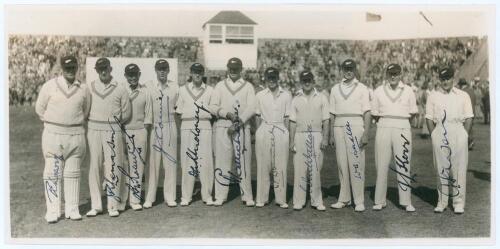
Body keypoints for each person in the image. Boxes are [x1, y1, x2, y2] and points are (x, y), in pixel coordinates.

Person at [35, 55, 90, 223]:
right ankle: (53, 211)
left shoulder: (84, 89)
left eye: (73, 67)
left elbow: (85, 111)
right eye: (67, 68)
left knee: (73, 173)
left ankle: (72, 209)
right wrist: (55, 123)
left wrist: (72, 123)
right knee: (52, 173)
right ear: (61, 69)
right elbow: (39, 109)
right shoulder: (49, 86)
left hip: (76, 135)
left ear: (77, 68)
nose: (70, 71)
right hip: (53, 135)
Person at [86, 57, 131, 217]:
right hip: (93, 129)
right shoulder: (90, 87)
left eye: (105, 68)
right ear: (96, 71)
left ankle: (113, 204)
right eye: (100, 69)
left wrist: (113, 123)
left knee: (113, 165)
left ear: (110, 69)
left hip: (113, 130)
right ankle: (96, 205)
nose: (103, 71)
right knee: (95, 167)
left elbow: (126, 112)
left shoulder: (120, 88)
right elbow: (85, 109)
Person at [426, 67, 473, 214]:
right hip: (440, 130)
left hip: (458, 129)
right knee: (441, 168)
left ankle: (458, 203)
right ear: (439, 79)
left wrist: (465, 134)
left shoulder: (463, 95)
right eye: (443, 78)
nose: (445, 81)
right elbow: (428, 118)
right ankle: (442, 201)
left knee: (459, 169)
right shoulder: (433, 96)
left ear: (453, 79)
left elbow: (469, 117)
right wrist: (433, 134)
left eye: (448, 78)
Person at [371, 63, 417, 212]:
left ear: (400, 74)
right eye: (390, 73)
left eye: (396, 73)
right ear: (386, 74)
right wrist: (387, 123)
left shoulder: (409, 90)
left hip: (403, 126)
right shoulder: (378, 91)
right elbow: (375, 114)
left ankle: (405, 201)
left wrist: (400, 123)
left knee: (403, 164)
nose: (393, 76)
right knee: (381, 164)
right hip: (383, 126)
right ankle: (379, 200)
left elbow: (413, 113)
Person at [211, 57, 256, 206]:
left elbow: (251, 108)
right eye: (231, 67)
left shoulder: (248, 86)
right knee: (222, 161)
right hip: (223, 126)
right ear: (227, 68)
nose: (233, 70)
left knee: (243, 162)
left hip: (242, 127)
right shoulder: (220, 86)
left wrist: (238, 122)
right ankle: (220, 196)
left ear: (241, 69)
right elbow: (213, 107)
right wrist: (228, 114)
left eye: (236, 68)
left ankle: (247, 196)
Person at [329, 59, 371, 212]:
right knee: (342, 163)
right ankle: (344, 198)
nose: (348, 71)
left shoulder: (362, 88)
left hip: (356, 125)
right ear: (342, 69)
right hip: (339, 126)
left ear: (355, 70)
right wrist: (331, 135)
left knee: (356, 163)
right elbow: (332, 113)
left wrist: (366, 133)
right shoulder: (334, 89)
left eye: (351, 68)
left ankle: (359, 200)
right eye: (346, 68)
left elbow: (367, 112)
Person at [176, 63, 215, 206]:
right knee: (187, 162)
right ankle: (186, 196)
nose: (197, 74)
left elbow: (214, 112)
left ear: (203, 73)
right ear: (190, 73)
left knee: (205, 162)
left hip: (205, 125)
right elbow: (178, 112)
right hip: (187, 125)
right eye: (195, 72)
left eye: (200, 72)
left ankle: (207, 195)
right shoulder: (182, 90)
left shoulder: (211, 90)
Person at [289, 70, 329, 211]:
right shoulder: (296, 99)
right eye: (304, 80)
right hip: (300, 135)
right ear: (301, 82)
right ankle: (298, 200)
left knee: (315, 169)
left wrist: (325, 137)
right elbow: (292, 122)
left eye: (309, 80)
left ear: (313, 81)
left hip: (316, 134)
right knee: (300, 169)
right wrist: (291, 141)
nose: (307, 83)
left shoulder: (322, 97)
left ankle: (316, 200)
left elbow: (326, 120)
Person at [144, 59, 180, 208]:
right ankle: (149, 197)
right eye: (160, 69)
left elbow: (179, 108)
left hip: (170, 125)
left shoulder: (175, 87)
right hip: (154, 127)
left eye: (165, 69)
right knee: (153, 163)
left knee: (170, 163)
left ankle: (170, 197)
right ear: (156, 70)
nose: (162, 71)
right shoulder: (149, 86)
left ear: (168, 70)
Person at [255, 67, 292, 209]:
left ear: (278, 78)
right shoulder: (260, 95)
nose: (272, 80)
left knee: (280, 165)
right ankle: (261, 198)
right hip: (264, 128)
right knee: (263, 165)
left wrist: (286, 133)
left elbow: (287, 117)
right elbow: (257, 116)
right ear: (265, 78)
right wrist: (259, 132)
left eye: (274, 77)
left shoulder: (286, 95)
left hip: (280, 128)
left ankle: (281, 199)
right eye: (269, 78)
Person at [118, 63, 153, 211]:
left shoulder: (145, 91)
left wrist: (143, 132)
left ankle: (135, 200)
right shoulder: (120, 89)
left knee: (137, 166)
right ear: (125, 76)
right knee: (123, 166)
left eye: (135, 74)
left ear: (139, 75)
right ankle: (121, 201)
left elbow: (148, 115)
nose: (132, 77)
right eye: (129, 75)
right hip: (123, 130)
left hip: (140, 131)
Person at [457, 78, 476, 150]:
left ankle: (467, 143)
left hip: (464, 113)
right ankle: (471, 142)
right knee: (470, 127)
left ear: (461, 85)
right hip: (472, 112)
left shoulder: (462, 92)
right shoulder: (471, 91)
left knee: (464, 128)